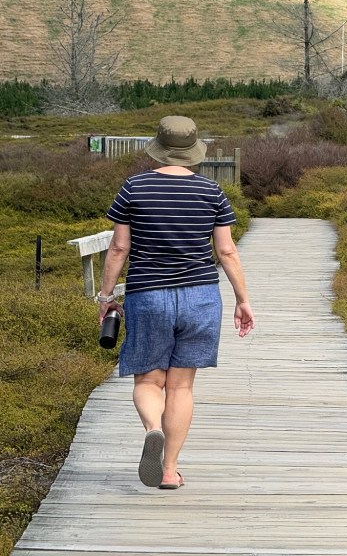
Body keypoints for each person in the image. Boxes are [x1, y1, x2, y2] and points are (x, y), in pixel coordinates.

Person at [96, 115, 255, 489]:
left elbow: (118, 248)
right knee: (181, 387)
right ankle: (169, 470)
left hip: (148, 296)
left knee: (149, 379)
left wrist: (106, 297)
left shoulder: (134, 187)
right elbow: (226, 251)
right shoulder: (212, 192)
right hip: (201, 297)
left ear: (158, 146)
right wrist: (242, 299)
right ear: (193, 150)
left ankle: (153, 428)